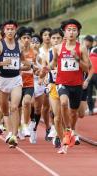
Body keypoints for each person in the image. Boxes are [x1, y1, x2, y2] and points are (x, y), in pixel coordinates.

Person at [0, 20, 30, 147]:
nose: (10, 31)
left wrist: (30, 66)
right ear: (4, 31)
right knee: (5, 110)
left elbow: (24, 62)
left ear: (15, 30)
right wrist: (2, 63)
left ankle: (14, 135)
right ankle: (9, 131)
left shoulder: (20, 45)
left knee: (14, 107)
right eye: (8, 29)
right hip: (2, 80)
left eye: (12, 29)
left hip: (16, 79)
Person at [50, 19, 89, 154]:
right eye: (69, 30)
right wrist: (44, 69)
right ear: (64, 32)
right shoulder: (58, 48)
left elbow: (88, 68)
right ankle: (67, 131)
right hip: (62, 83)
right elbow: (53, 63)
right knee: (63, 102)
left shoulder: (82, 48)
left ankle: (71, 129)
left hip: (77, 84)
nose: (71, 32)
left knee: (74, 112)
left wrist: (77, 59)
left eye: (74, 30)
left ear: (78, 33)